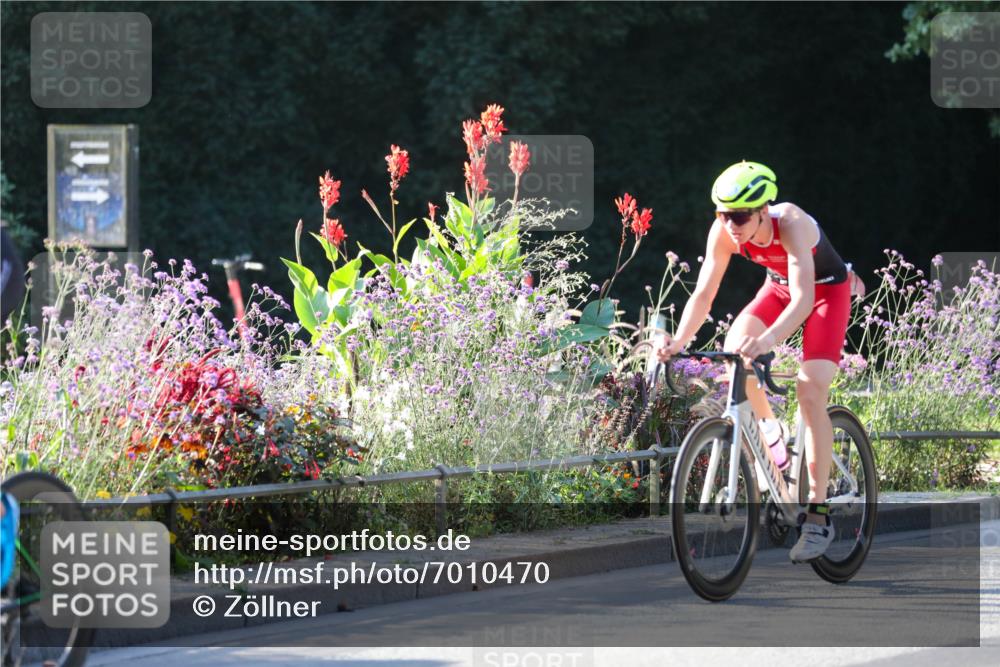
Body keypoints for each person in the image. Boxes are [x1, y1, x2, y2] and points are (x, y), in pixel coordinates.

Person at [656, 161, 865, 562]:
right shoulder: (724, 232)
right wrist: (679, 341)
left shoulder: (792, 224)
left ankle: (818, 516)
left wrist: (768, 340)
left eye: (738, 216)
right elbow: (704, 293)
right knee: (735, 353)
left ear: (761, 211)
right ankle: (772, 435)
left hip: (824, 293)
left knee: (810, 389)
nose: (729, 224)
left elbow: (805, 299)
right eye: (722, 214)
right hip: (779, 287)